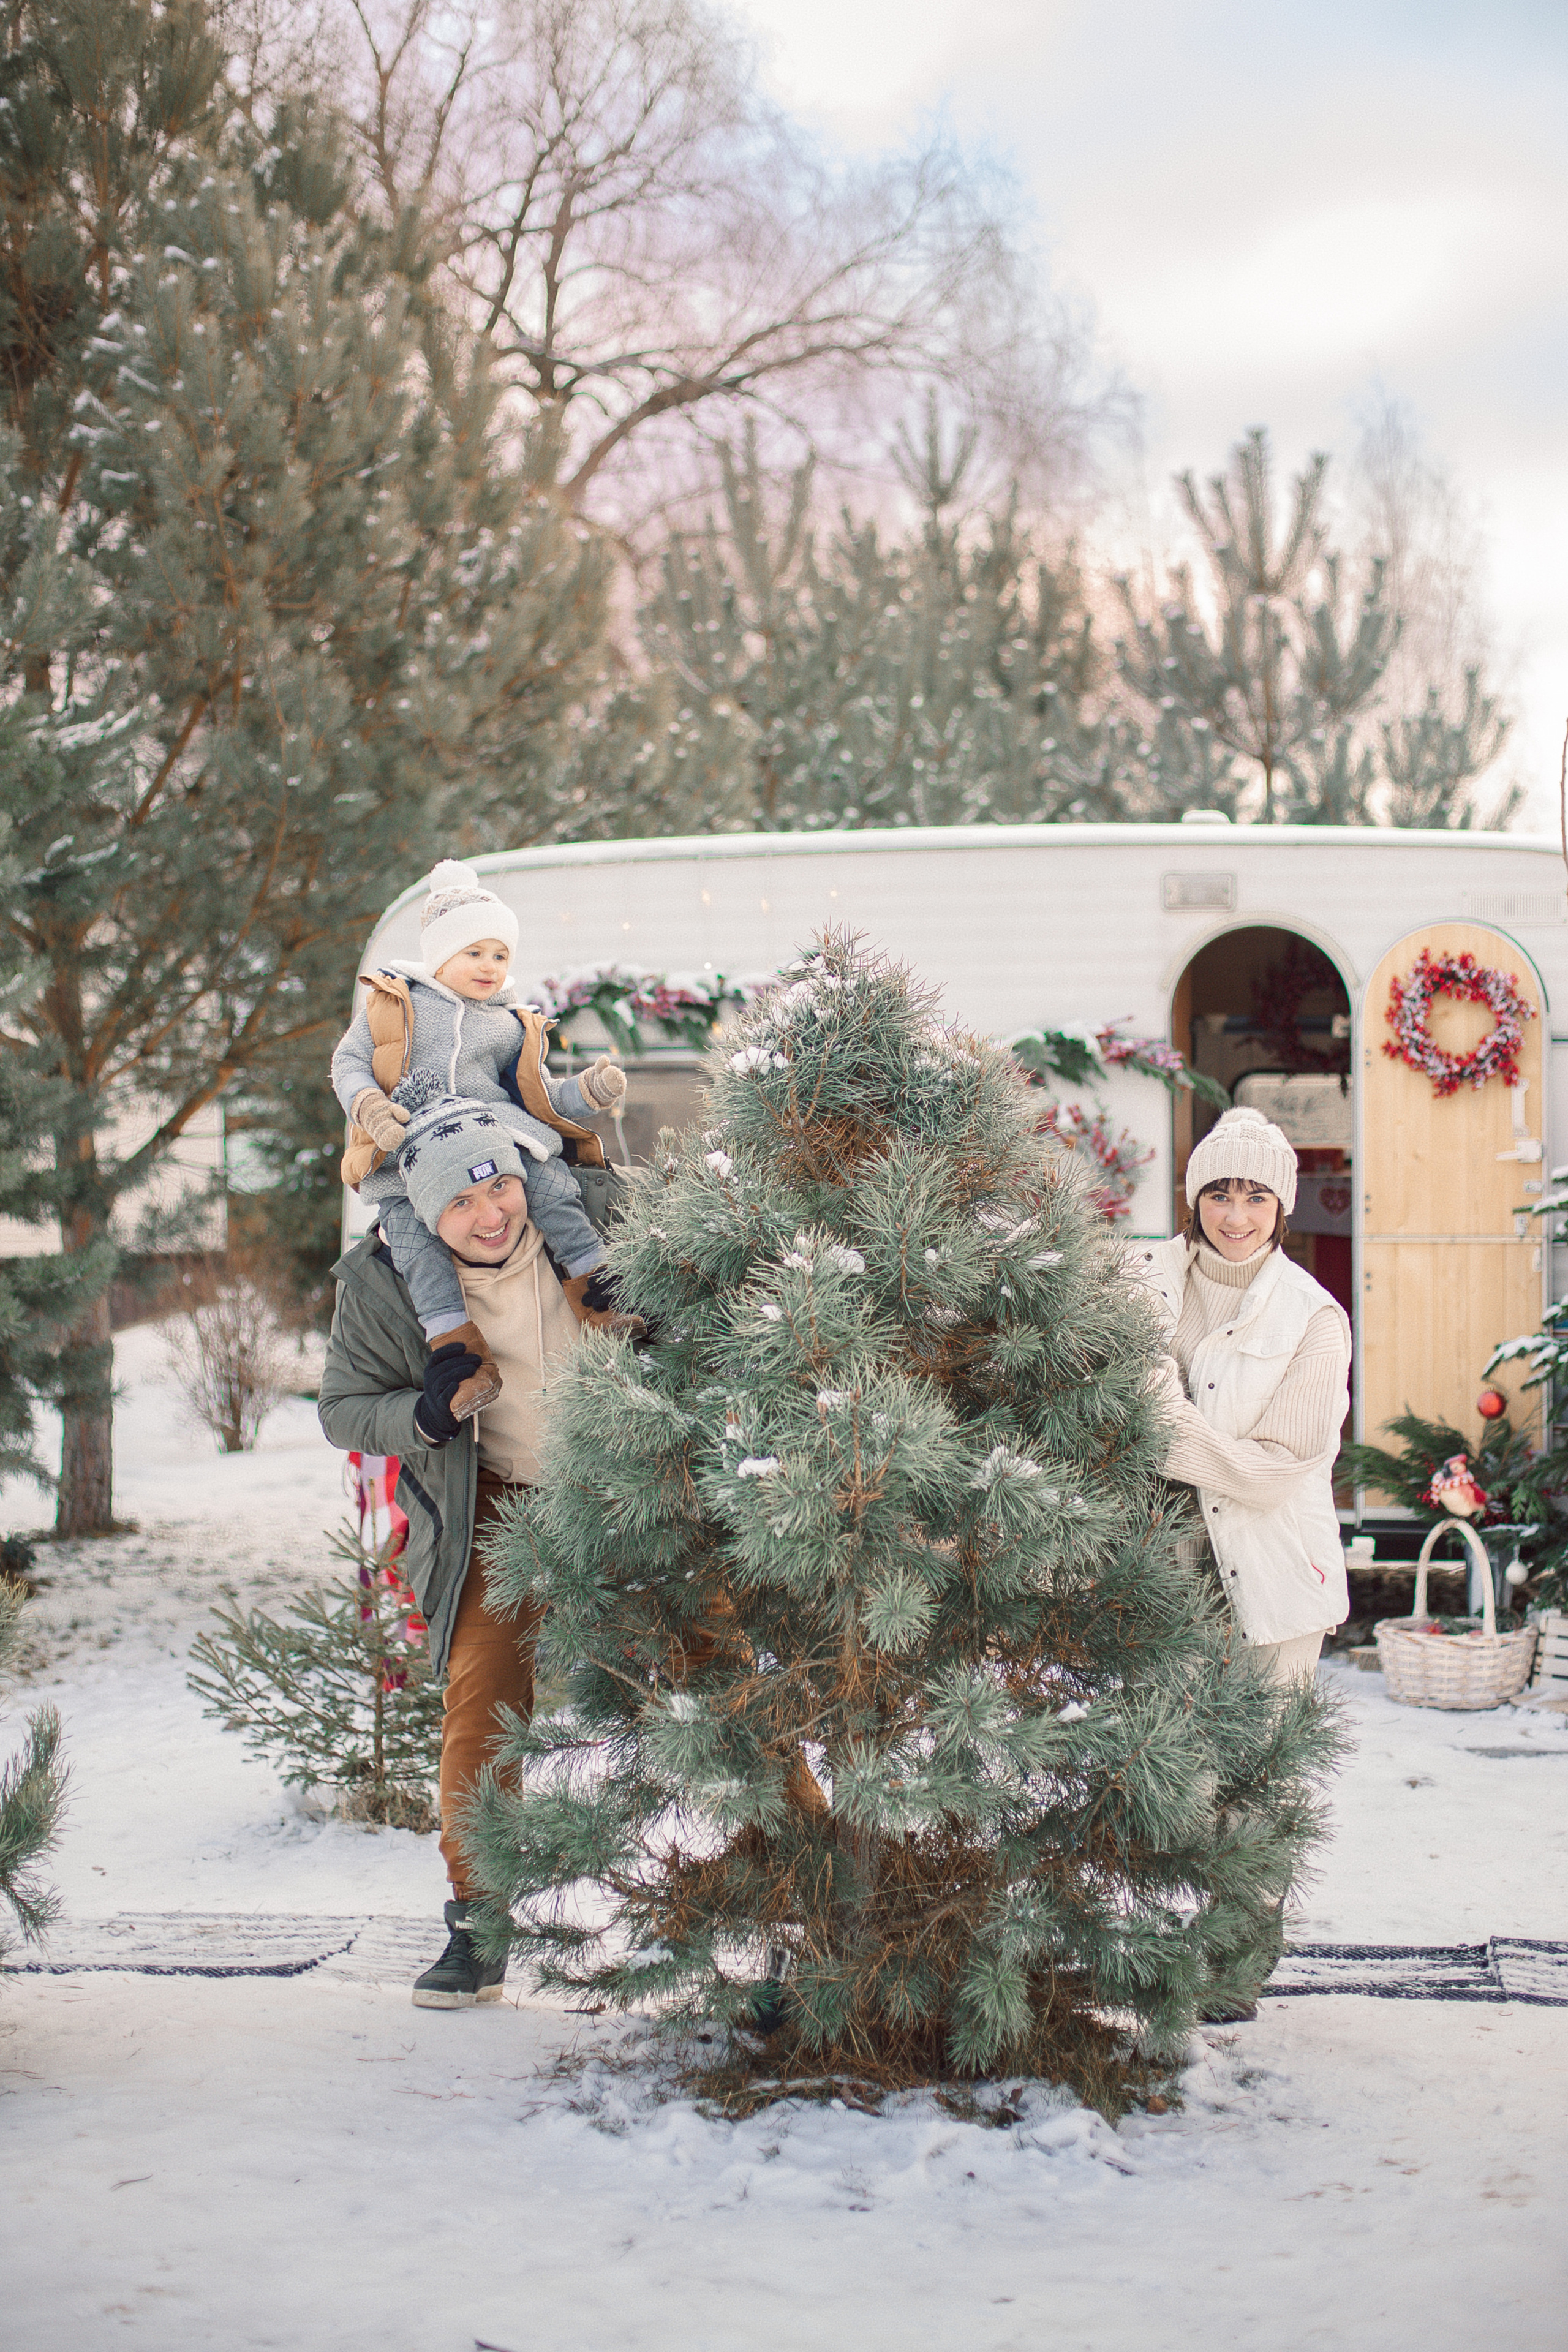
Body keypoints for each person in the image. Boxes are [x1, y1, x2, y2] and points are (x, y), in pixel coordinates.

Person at [318, 1098, 585, 2009]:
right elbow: (343, 1408)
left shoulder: (591, 1227)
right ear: (426, 1217)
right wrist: (425, 1417)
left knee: (716, 1664)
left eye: (503, 1185)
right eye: (462, 1204)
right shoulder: (386, 1283)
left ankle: (794, 1887)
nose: (492, 1214)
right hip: (499, 1501)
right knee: (482, 1693)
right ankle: (481, 1922)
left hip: (626, 1484)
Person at [1137, 1104, 1351, 2018]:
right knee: (1168, 1769)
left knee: (1258, 1775)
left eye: (1255, 1195)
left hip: (1273, 1575)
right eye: (1219, 1191)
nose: (1235, 1213)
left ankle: (1232, 1960)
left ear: (1281, 1206)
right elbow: (1102, 1388)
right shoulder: (1140, 1280)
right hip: (1164, 1568)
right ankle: (1156, 1934)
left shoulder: (1313, 1317)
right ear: (1193, 1197)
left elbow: (1275, 1471)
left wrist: (1162, 1429)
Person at [331, 858, 632, 1420]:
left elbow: (534, 1096)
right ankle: (464, 1363)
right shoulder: (393, 1004)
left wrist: (585, 1092)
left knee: (552, 1186)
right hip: (405, 1146)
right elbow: (348, 1063)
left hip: (495, 1136)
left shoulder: (507, 1022)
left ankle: (599, 1297)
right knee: (416, 1248)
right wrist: (368, 1103)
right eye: (474, 952)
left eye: (500, 954)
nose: (490, 966)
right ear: (440, 954)